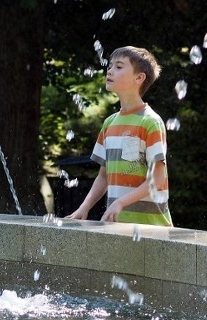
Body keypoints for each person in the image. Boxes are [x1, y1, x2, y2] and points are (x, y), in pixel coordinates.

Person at [66, 46, 173, 226]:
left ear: (139, 78)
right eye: (110, 66)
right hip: (119, 225)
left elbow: (158, 179)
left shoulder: (151, 122)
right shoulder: (109, 123)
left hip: (152, 228)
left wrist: (120, 202)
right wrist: (84, 207)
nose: (110, 70)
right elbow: (104, 176)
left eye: (119, 66)